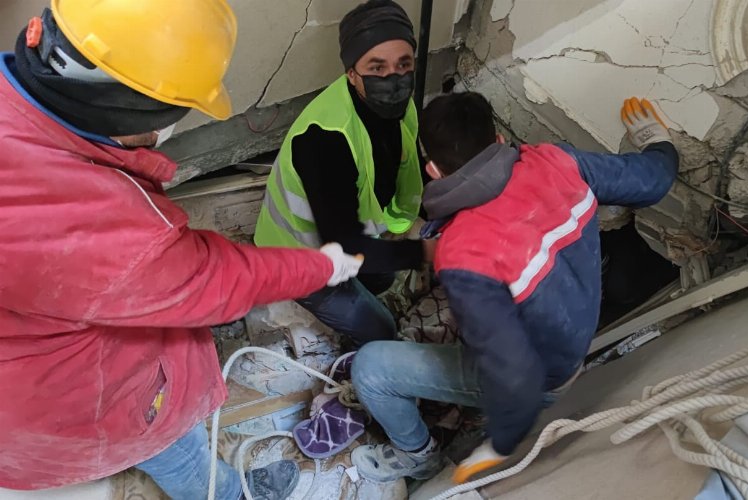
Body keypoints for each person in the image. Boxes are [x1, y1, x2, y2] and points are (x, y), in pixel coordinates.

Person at [0, 2, 363, 499]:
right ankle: (227, 494)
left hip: (28, 356)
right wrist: (322, 265)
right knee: (168, 441)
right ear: (122, 108)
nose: (161, 135)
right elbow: (220, 278)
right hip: (69, 398)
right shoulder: (101, 224)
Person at [349, 92, 679, 483]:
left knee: (370, 368)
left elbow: (516, 375)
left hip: (544, 380)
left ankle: (416, 455)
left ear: (433, 170)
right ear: (499, 140)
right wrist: (660, 143)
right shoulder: (555, 161)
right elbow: (653, 180)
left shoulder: (463, 252)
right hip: (577, 326)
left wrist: (500, 443)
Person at [254, 0, 433, 347]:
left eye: (404, 64)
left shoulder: (401, 108)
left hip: (346, 235)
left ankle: (361, 284)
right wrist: (427, 252)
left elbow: (407, 168)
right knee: (381, 331)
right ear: (352, 73)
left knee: (383, 277)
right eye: (377, 67)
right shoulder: (326, 138)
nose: (394, 79)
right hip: (301, 257)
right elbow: (346, 246)